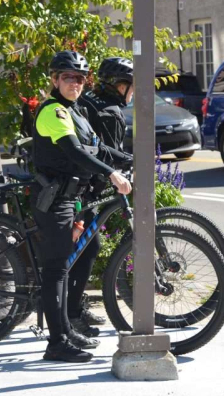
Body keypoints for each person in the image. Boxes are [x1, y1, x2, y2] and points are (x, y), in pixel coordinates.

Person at [31, 50, 132, 362]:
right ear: (54, 80)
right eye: (67, 77)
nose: (74, 82)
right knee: (56, 270)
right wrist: (111, 173)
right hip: (54, 200)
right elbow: (74, 152)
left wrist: (131, 160)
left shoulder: (74, 111)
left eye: (79, 78)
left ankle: (66, 326)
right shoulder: (53, 112)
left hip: (69, 197)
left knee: (82, 252)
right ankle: (57, 342)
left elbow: (96, 147)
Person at [65, 57, 134, 336]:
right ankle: (69, 314)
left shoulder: (91, 101)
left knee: (85, 248)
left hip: (83, 184)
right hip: (84, 187)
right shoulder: (109, 112)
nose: (132, 92)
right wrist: (123, 165)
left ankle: (72, 308)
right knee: (82, 249)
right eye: (131, 86)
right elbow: (101, 150)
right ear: (120, 85)